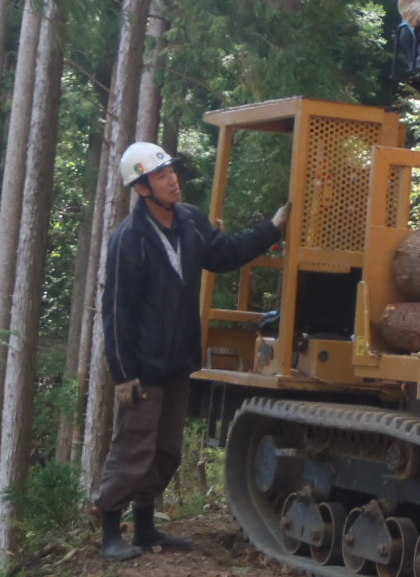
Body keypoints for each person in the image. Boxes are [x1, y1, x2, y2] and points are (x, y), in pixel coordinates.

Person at [92, 141, 290, 562]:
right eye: (161, 175)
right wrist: (123, 373)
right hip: (143, 367)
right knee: (133, 449)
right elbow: (116, 312)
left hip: (180, 360)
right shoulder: (129, 239)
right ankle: (111, 530)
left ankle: (145, 528)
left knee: (167, 450)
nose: (172, 179)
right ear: (142, 188)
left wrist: (272, 228)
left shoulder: (191, 222)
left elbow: (227, 254)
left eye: (172, 171)